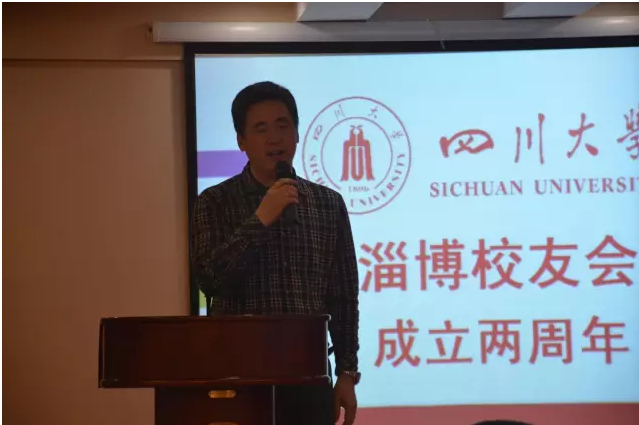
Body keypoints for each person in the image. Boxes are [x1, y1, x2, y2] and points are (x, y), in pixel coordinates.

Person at [190, 81, 360, 425]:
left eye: (282, 126)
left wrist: (346, 372)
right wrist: (261, 219)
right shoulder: (215, 202)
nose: (274, 138)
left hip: (308, 375)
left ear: (297, 133)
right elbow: (210, 279)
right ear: (241, 141)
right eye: (261, 128)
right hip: (237, 375)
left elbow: (342, 296)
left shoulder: (328, 204)